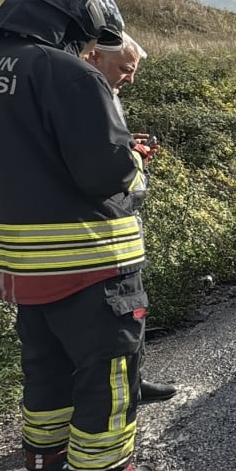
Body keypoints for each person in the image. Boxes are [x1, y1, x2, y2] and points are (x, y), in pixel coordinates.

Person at [0, 0, 164, 471]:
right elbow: (108, 174)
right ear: (74, 15)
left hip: (20, 262)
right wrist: (137, 161)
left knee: (47, 367)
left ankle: (47, 468)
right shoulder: (68, 73)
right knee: (108, 369)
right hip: (90, 259)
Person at [82, 31, 178, 403]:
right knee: (118, 319)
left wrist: (127, 145)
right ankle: (119, 397)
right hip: (102, 237)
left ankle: (133, 382)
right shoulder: (84, 95)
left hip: (119, 224)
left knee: (128, 314)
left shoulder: (104, 95)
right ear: (94, 57)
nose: (131, 78)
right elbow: (102, 169)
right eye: (125, 68)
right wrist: (133, 155)